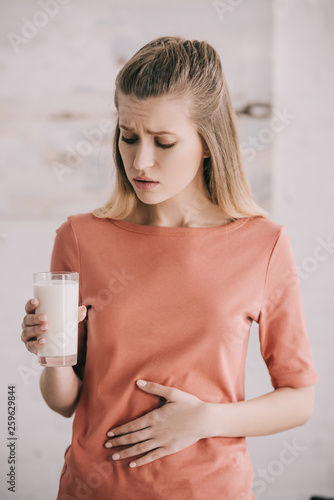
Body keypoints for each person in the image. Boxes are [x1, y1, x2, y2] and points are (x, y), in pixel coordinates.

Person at [21, 36, 318, 500]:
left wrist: (209, 420)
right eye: (128, 136)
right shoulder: (79, 239)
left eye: (164, 142)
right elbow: (65, 402)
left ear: (206, 144)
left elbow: (299, 399)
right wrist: (51, 354)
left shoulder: (264, 244)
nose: (140, 161)